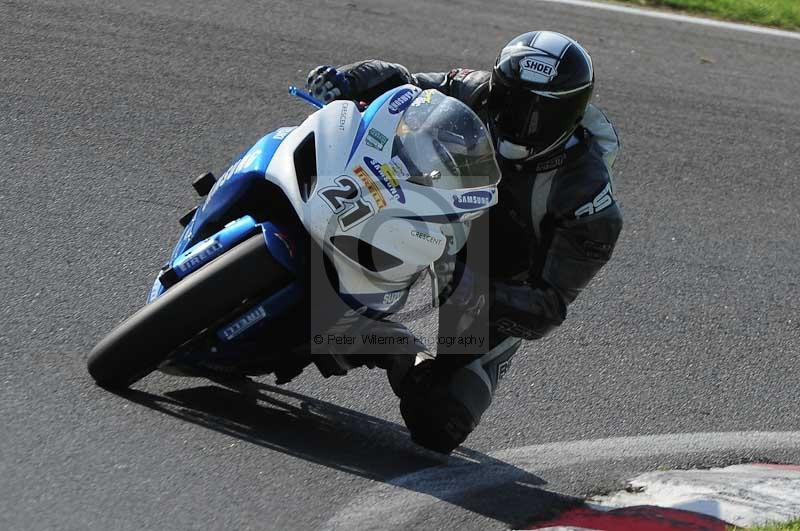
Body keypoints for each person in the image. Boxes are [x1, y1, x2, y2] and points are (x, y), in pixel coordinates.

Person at [306, 31, 623, 453]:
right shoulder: (476, 91)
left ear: (573, 115)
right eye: (510, 101)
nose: (520, 122)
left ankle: (394, 348)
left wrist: (474, 288)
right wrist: (348, 79)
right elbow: (403, 85)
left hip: (487, 274)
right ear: (496, 85)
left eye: (541, 114)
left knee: (441, 421)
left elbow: (548, 305)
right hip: (417, 206)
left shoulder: (588, 198)